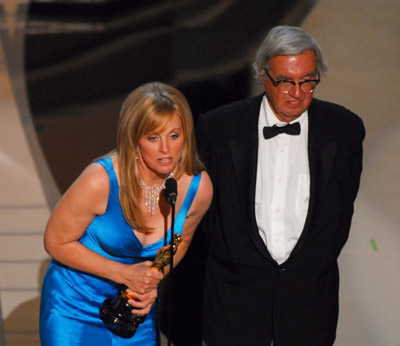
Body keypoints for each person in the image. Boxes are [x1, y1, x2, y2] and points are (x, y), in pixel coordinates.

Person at [195, 26, 365, 346]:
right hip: (234, 306)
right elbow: (204, 215)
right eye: (285, 81)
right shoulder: (217, 128)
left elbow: (342, 211)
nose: (297, 91)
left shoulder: (344, 130)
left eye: (307, 80)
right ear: (262, 75)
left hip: (309, 307)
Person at [39, 82, 213, 345]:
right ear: (134, 139)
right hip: (74, 307)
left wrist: (152, 278)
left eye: (174, 136)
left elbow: (181, 241)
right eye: (153, 138)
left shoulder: (198, 188)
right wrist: (125, 274)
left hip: (134, 313)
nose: (166, 149)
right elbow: (55, 241)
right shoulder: (100, 181)